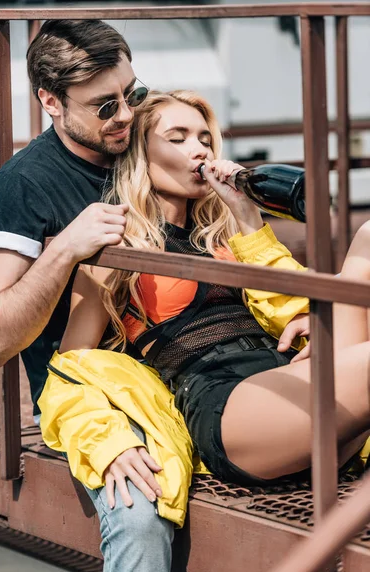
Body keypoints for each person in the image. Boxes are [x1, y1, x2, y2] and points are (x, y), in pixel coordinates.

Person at [42, 88, 370, 506]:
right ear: (141, 154)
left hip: (296, 381)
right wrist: (108, 443)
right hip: (230, 404)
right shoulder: (115, 248)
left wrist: (249, 219)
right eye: (177, 138)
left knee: (367, 241)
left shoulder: (228, 236)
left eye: (204, 139)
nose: (197, 150)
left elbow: (292, 301)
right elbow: (72, 369)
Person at [0, 20, 175, 572]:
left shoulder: (145, 141)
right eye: (104, 105)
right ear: (50, 102)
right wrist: (64, 248)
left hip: (183, 366)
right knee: (138, 516)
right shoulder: (23, 188)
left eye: (132, 94)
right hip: (96, 395)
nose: (125, 116)